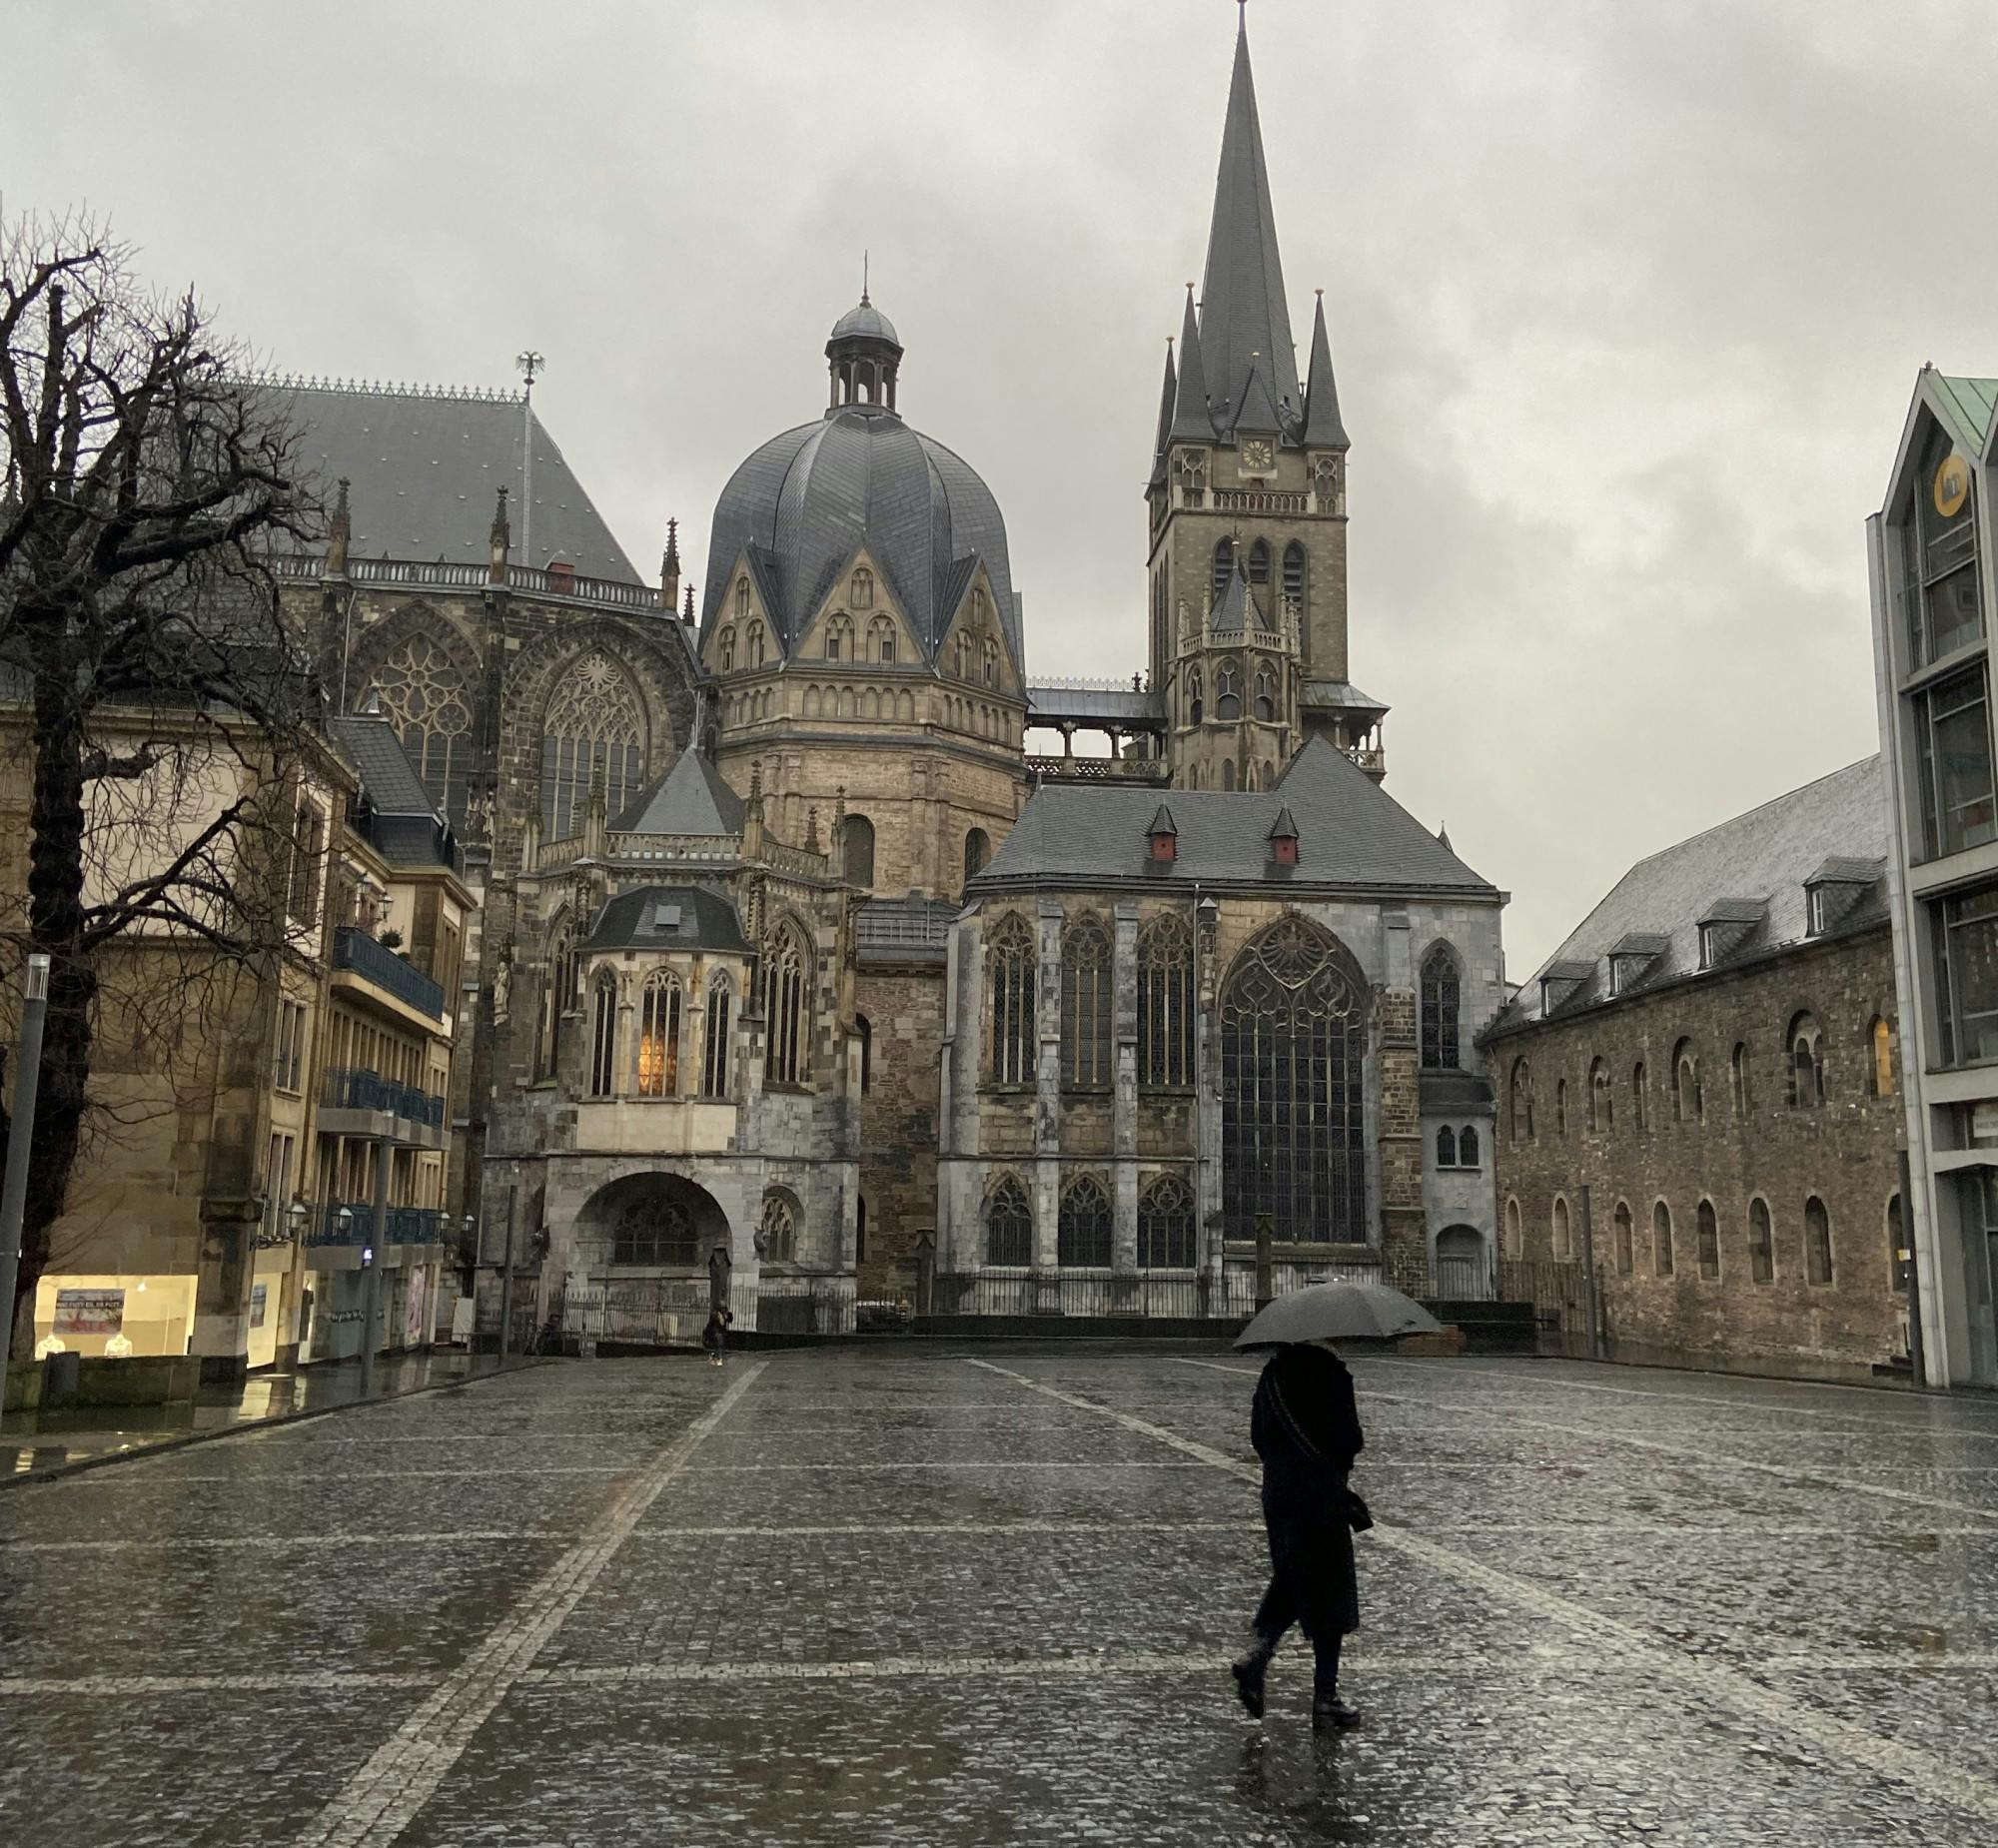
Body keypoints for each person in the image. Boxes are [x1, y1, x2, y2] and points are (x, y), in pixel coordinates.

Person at [1232, 1339, 1368, 1731]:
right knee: (1329, 1591)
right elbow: (1350, 1440)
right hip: (1321, 1492)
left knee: (1292, 1577)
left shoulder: (1271, 1376)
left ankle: (1257, 1657)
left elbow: (1258, 1436)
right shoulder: (1333, 1374)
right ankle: (1324, 1697)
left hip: (1278, 1491)